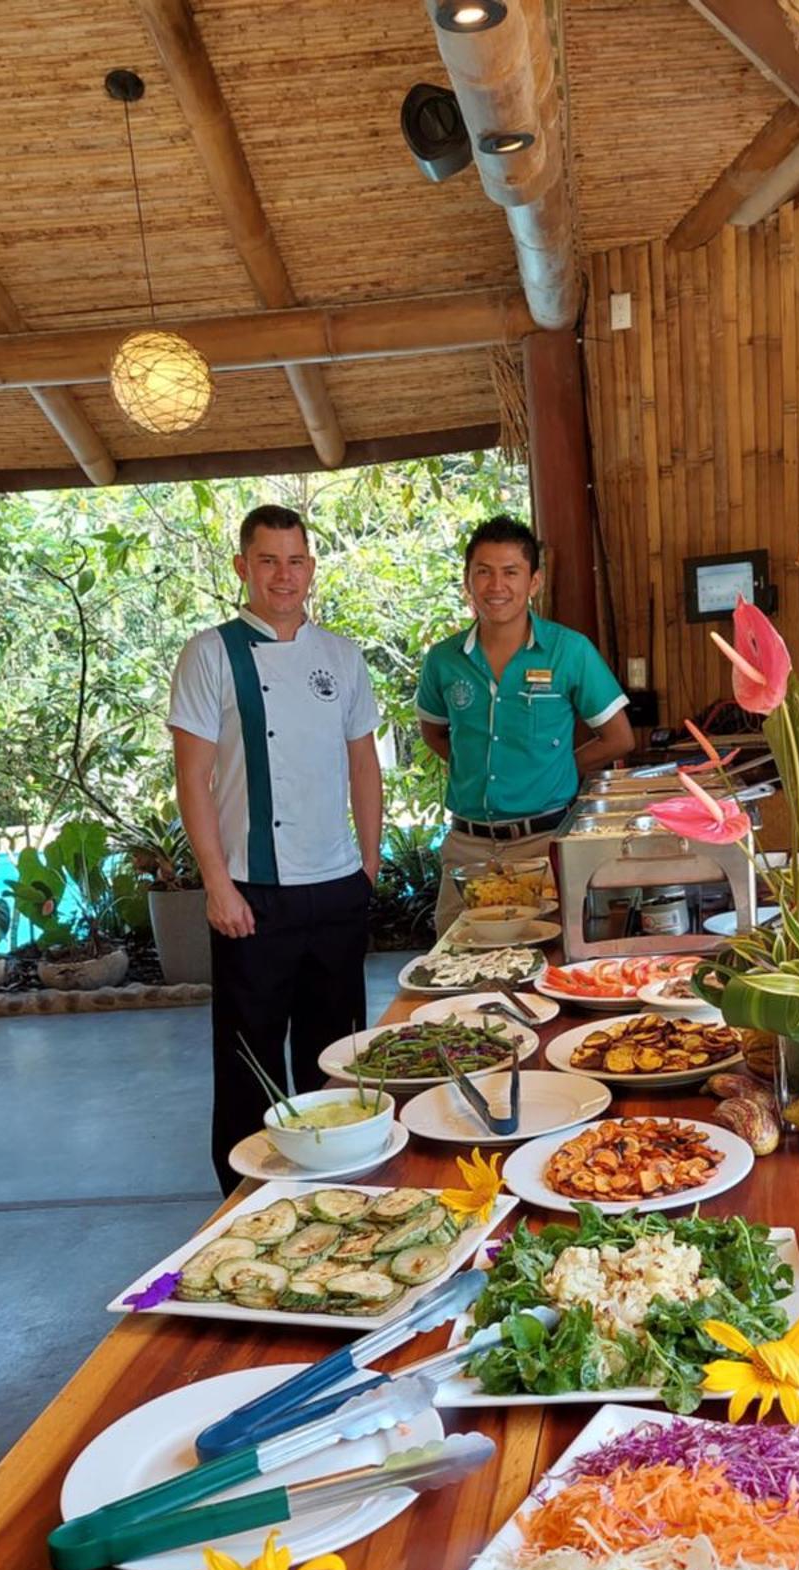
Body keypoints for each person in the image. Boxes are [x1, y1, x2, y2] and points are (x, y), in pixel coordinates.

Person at [168, 503, 383, 1193]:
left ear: (311, 569)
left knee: (337, 1060)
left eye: (295, 560)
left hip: (336, 886)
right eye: (268, 560)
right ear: (242, 567)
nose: (283, 575)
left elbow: (364, 766)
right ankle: (246, 1203)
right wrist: (217, 884)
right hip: (252, 896)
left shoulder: (341, 656)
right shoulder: (210, 653)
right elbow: (192, 778)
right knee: (248, 1065)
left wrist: (370, 866)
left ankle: (343, 1187)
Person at [416, 515, 634, 932]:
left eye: (510, 572)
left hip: (542, 846)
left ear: (534, 582)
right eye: (484, 572)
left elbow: (618, 737)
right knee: (458, 966)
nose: (496, 586)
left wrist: (554, 770)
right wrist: (474, 764)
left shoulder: (569, 651)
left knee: (544, 965)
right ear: (468, 580)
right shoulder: (442, 661)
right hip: (467, 850)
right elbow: (434, 732)